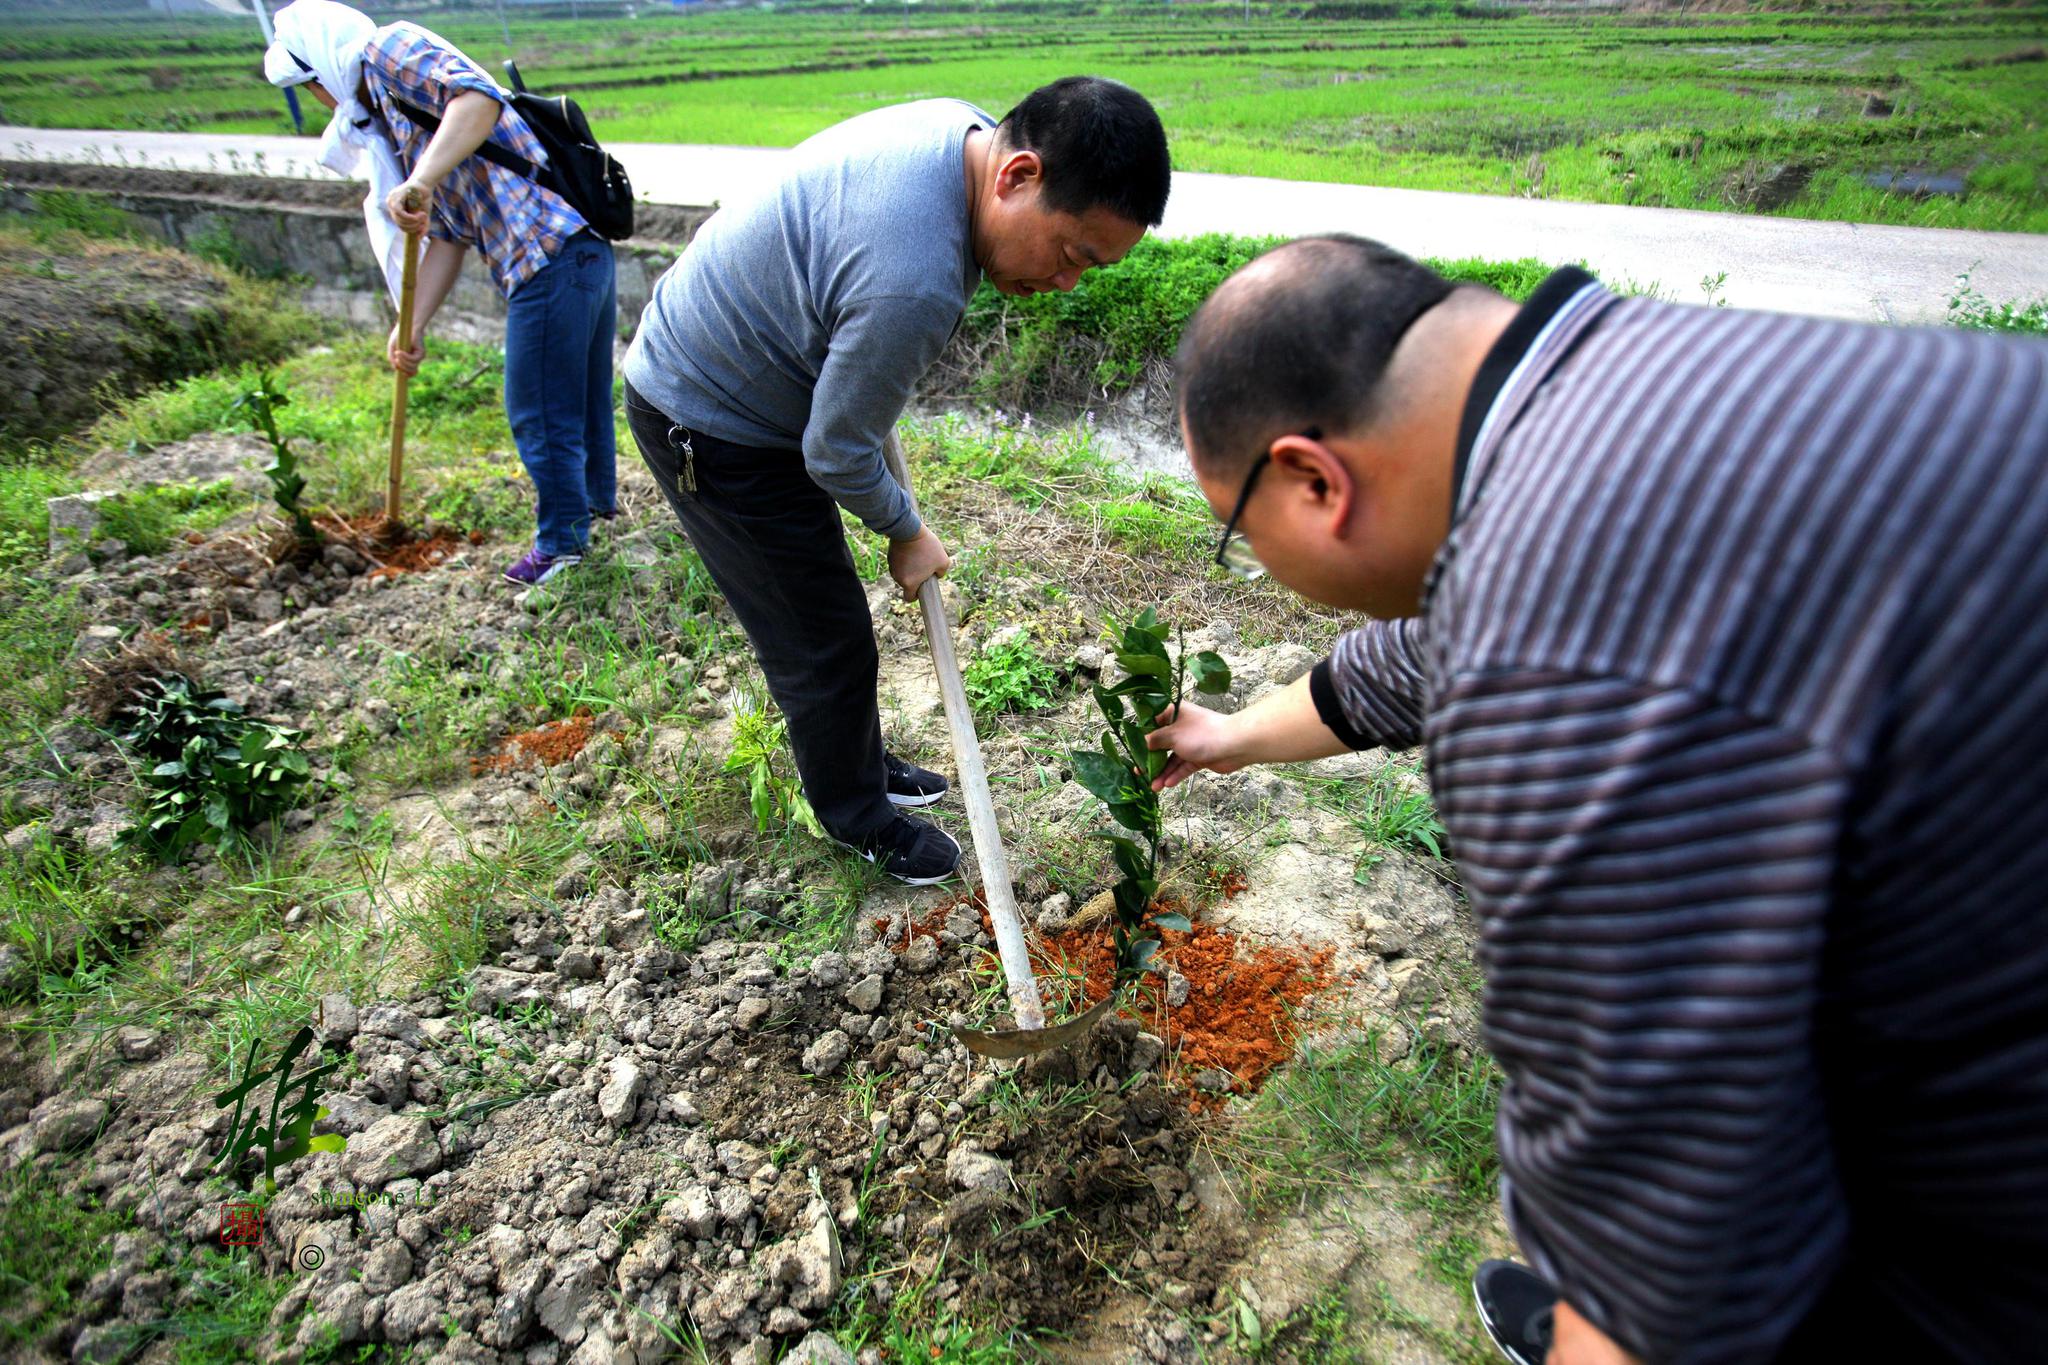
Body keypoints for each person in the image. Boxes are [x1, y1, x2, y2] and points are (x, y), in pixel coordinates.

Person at [1152, 235, 2048, 1363]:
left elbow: (1671, 1261)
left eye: (1238, 535)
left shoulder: (1552, 677)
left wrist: (1612, 1309)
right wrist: (1232, 735)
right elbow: (1420, 656)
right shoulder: (1611, 384)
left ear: (1311, 480)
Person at [622, 78, 1171, 885]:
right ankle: (854, 812)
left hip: (762, 364)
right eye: (1071, 254)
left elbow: (846, 391)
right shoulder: (912, 281)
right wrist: (907, 531)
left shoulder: (960, 131)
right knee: (822, 638)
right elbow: (837, 451)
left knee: (831, 622)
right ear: (1017, 175)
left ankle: (862, 762)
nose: (1066, 285)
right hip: (709, 417)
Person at [262, 0, 616, 587]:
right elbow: (449, 237)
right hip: (572, 252)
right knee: (576, 400)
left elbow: (477, 99)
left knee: (539, 410)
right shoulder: (397, 118)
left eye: (311, 86)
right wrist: (411, 324)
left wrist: (421, 179)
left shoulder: (388, 49)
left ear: (323, 64)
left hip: (552, 253)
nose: (323, 102)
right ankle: (595, 513)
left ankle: (563, 546)